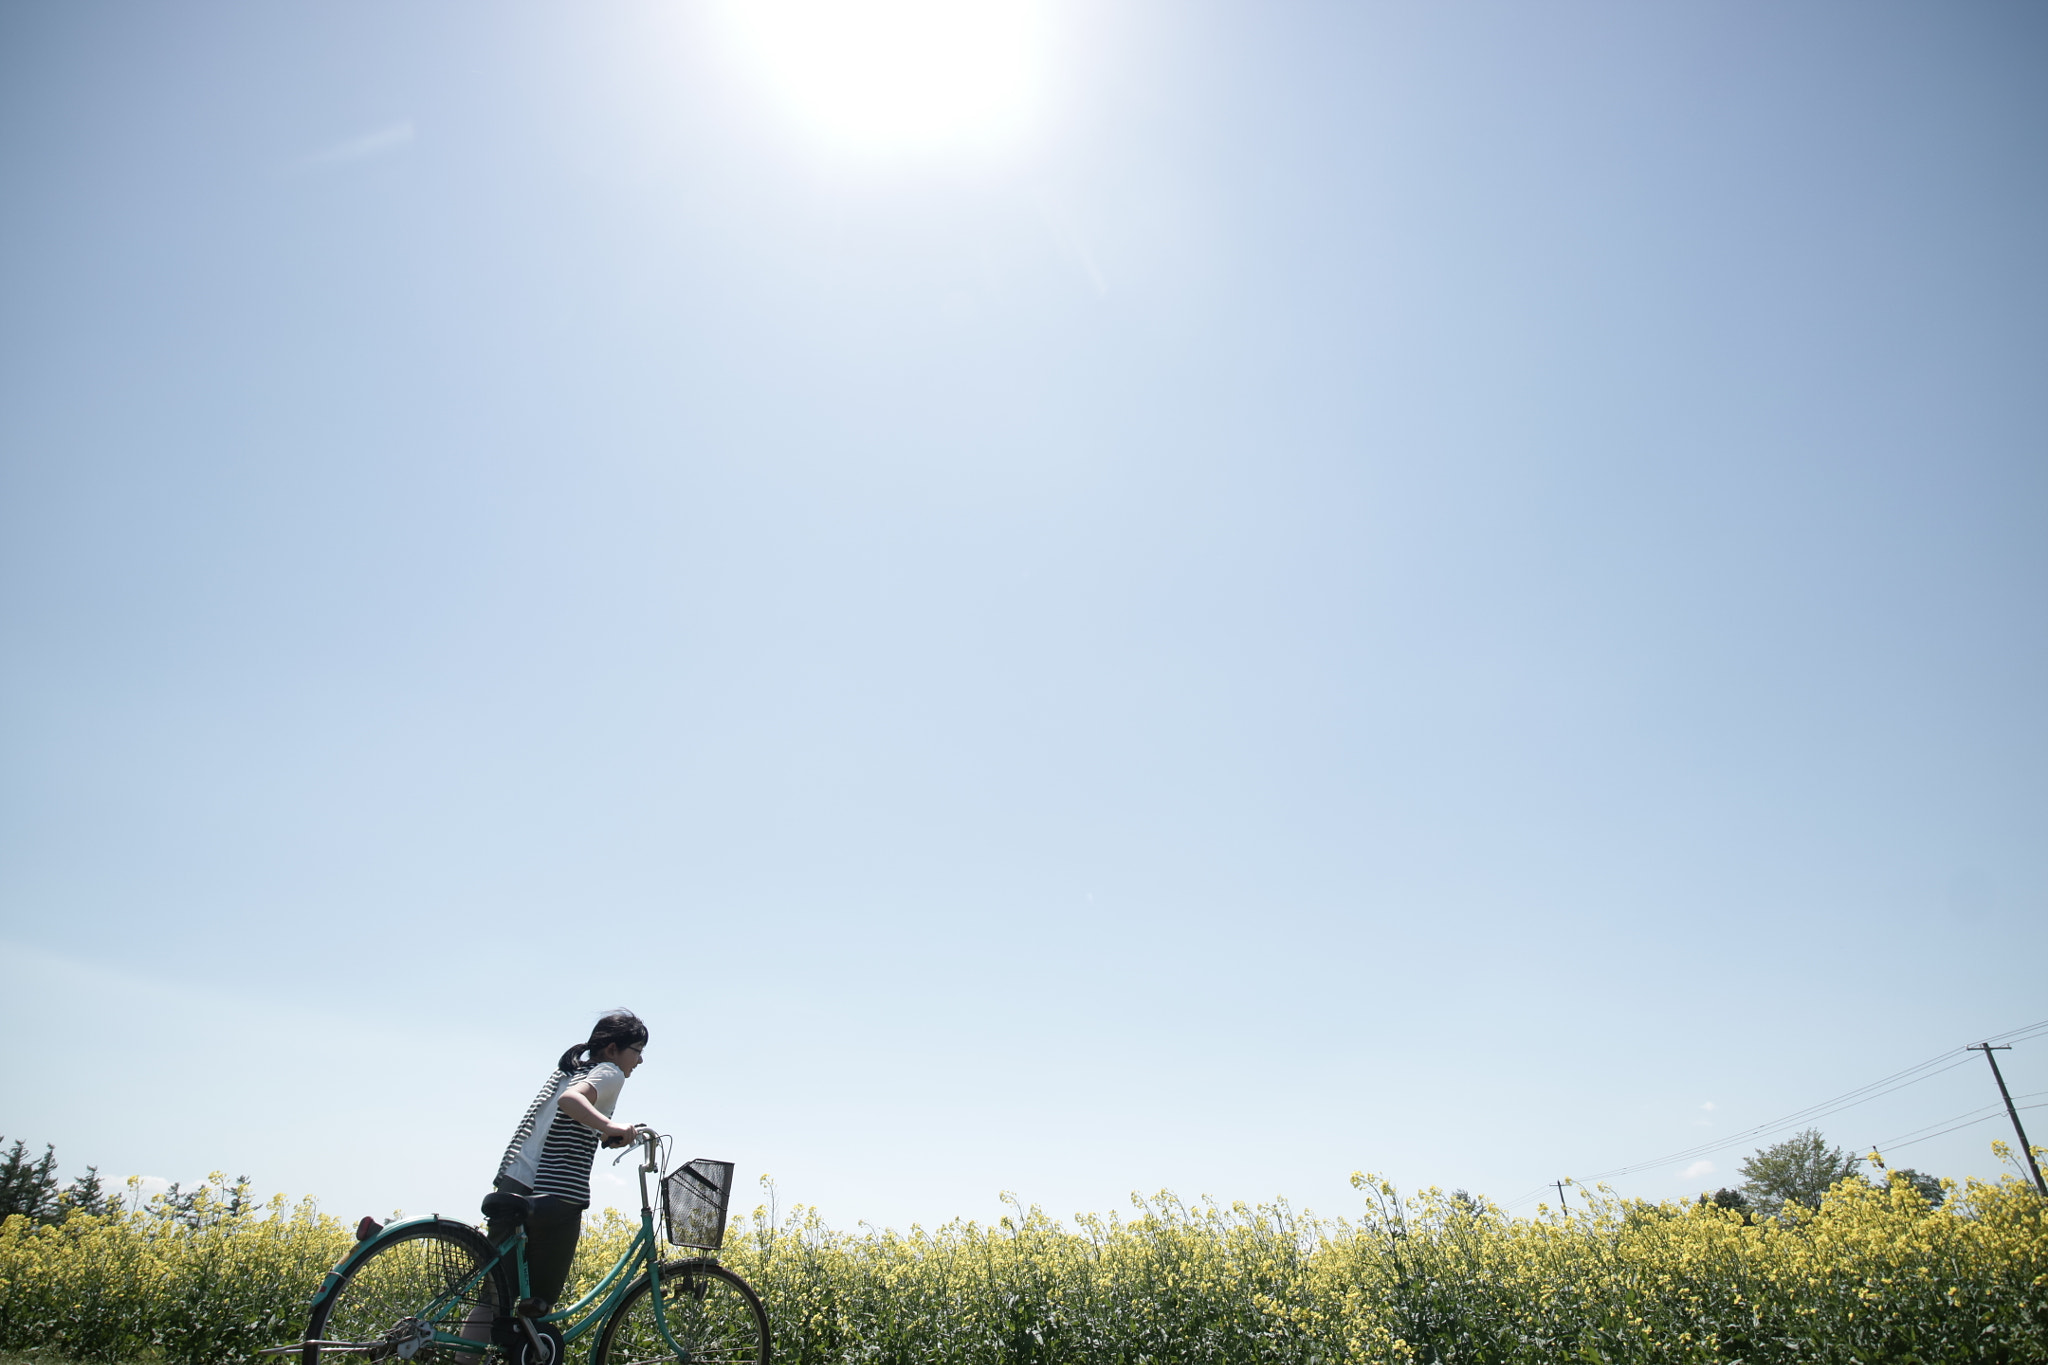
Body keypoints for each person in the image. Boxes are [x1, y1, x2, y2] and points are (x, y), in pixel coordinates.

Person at [486, 1009, 648, 1311]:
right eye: (637, 1051)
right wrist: (612, 1126)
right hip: (551, 1193)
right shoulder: (609, 1072)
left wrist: (602, 1134)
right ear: (612, 1049)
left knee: (494, 1300)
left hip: (512, 1183)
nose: (640, 1060)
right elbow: (571, 1101)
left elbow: (556, 1124)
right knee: (538, 1304)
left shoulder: (567, 1072)